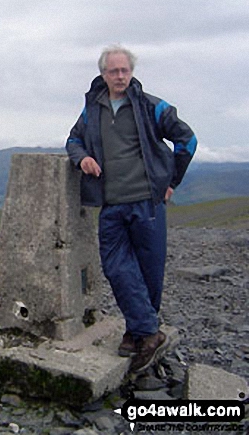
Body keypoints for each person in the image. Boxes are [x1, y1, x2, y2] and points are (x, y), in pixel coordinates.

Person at [65, 44, 197, 373]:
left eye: (125, 70)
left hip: (146, 203)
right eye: (113, 71)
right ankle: (149, 331)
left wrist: (171, 182)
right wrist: (83, 158)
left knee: (149, 272)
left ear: (131, 72)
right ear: (103, 74)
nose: (120, 76)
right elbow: (72, 140)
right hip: (111, 204)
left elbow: (187, 140)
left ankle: (136, 333)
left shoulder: (151, 106)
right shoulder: (92, 108)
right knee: (116, 267)